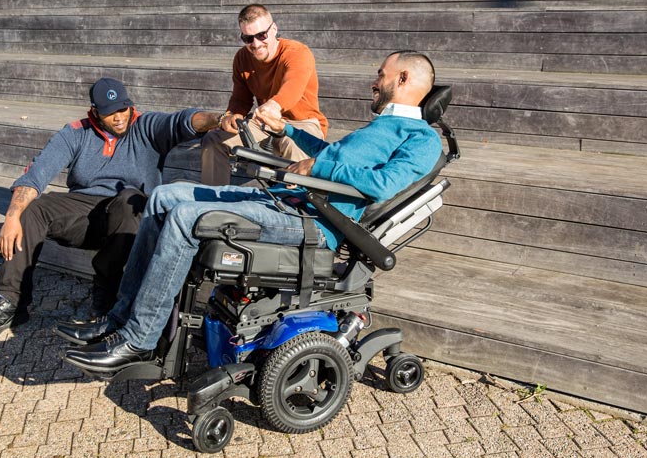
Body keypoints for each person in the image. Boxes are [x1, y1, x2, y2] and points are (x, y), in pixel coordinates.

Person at [55, 52, 444, 374]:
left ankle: (140, 340)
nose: (373, 82)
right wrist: (285, 133)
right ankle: (120, 317)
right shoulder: (379, 127)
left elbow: (382, 184)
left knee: (186, 217)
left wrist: (316, 169)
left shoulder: (421, 138)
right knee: (163, 197)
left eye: (381, 74)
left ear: (404, 77)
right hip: (283, 201)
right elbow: (327, 158)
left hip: (311, 223)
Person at [0, 77, 222, 344]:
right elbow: (36, 175)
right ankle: (10, 302)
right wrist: (12, 216)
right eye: (110, 113)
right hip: (85, 213)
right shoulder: (75, 133)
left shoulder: (146, 126)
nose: (119, 118)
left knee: (130, 200)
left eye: (123, 109)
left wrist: (218, 119)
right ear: (95, 112)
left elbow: (185, 121)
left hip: (130, 217)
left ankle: (107, 297)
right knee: (33, 210)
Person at [201, 3, 329, 186]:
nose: (256, 44)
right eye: (248, 38)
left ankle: (294, 207)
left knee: (292, 144)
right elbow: (240, 99)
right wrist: (231, 116)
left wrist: (274, 106)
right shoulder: (242, 58)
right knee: (213, 139)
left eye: (262, 35)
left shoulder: (297, 52)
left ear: (274, 29)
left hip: (302, 122)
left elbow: (292, 86)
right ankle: (211, 200)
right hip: (263, 123)